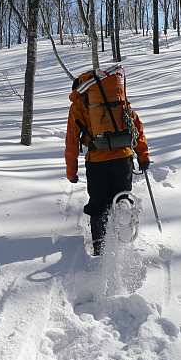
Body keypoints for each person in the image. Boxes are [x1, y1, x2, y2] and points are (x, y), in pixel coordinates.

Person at [65, 74, 150, 256]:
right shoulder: (117, 98)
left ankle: (99, 249)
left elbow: (72, 140)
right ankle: (124, 221)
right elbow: (136, 127)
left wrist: (71, 171)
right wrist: (143, 156)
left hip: (97, 163)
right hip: (123, 158)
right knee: (121, 196)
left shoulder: (78, 105)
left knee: (98, 205)